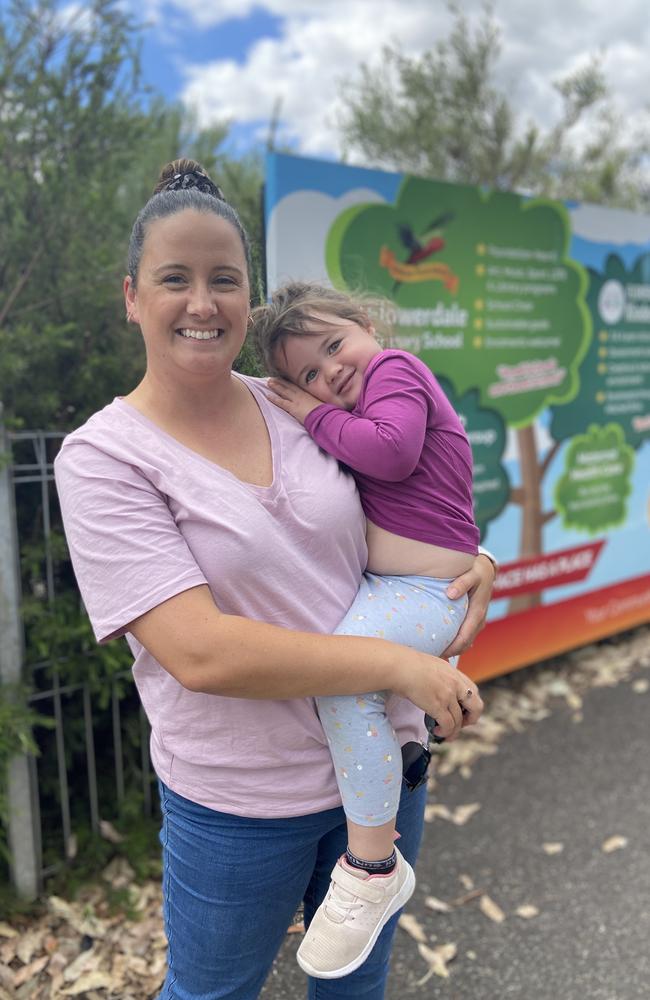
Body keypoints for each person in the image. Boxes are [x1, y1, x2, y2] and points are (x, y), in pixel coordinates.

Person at [54, 158, 494, 1000]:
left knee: (354, 991)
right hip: (240, 807)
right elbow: (202, 653)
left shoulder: (298, 400)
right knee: (211, 994)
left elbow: (421, 485)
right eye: (173, 278)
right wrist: (403, 668)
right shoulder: (106, 459)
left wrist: (478, 560)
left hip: (381, 770)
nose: (201, 301)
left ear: (248, 299)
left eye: (224, 279)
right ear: (131, 296)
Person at [253, 283, 482, 978]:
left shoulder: (396, 369)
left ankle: (373, 865)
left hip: (422, 591)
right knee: (353, 690)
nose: (330, 375)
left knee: (345, 687)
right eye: (309, 376)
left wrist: (312, 414)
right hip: (399, 590)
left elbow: (391, 454)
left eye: (333, 346)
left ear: (367, 323)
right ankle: (374, 854)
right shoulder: (361, 396)